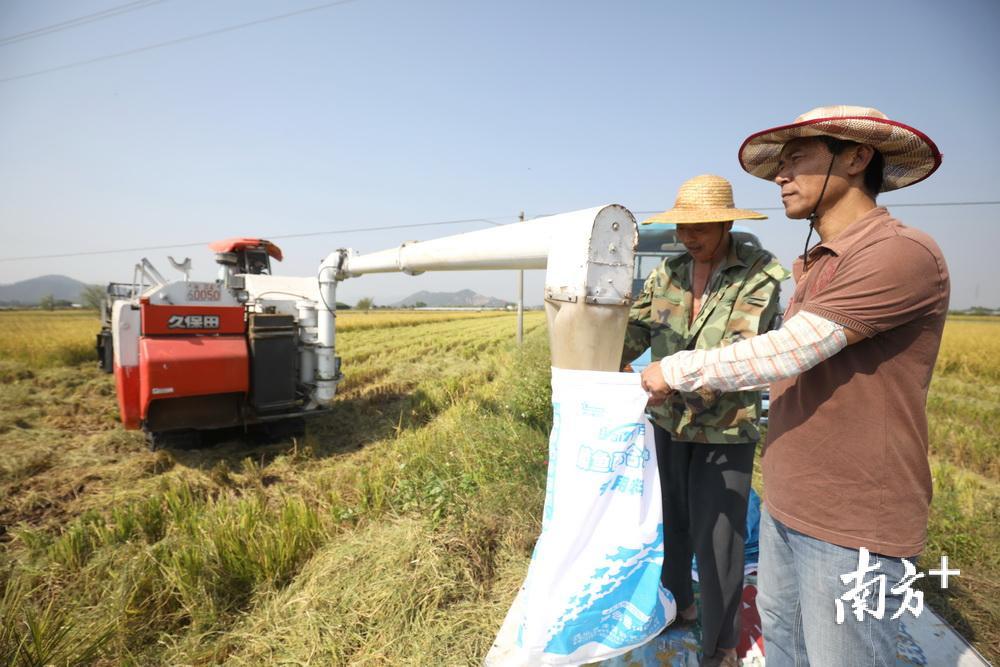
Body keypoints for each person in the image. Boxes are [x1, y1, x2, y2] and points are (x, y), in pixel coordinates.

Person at [639, 106, 949, 666]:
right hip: (789, 499)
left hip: (850, 517)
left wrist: (674, 370)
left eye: (798, 158)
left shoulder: (898, 253)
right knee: (785, 645)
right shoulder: (816, 263)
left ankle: (717, 643)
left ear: (856, 158)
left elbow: (790, 348)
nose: (782, 174)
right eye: (779, 163)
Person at [622, 174, 788, 667]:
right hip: (667, 422)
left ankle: (720, 644)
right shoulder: (667, 274)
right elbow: (636, 330)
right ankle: (680, 605)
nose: (688, 237)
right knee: (671, 522)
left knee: (719, 541)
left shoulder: (759, 274)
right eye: (683, 228)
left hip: (724, 427)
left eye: (700, 228)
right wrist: (595, 359)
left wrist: (674, 378)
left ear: (726, 222)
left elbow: (742, 353)